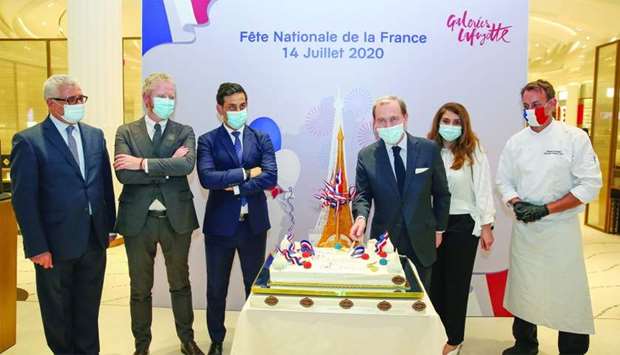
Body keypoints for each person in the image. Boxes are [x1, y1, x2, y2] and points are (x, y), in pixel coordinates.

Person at [10, 74, 116, 354]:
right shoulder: (29, 142)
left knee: (88, 310)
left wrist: (109, 227)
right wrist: (37, 246)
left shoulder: (94, 136)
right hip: (53, 248)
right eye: (70, 100)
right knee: (58, 314)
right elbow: (24, 200)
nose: (77, 104)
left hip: (93, 241)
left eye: (80, 98)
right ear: (50, 103)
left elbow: (104, 184)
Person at [496, 79, 602, 355]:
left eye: (537, 105)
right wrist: (516, 203)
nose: (531, 111)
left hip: (560, 231)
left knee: (568, 293)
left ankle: (572, 348)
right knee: (524, 290)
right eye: (526, 106)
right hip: (526, 233)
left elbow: (589, 185)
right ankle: (525, 343)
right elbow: (503, 181)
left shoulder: (574, 138)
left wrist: (546, 209)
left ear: (553, 104)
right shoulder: (516, 142)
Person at [114, 73, 203, 355]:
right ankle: (141, 346)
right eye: (162, 95)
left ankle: (187, 340)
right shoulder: (126, 132)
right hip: (137, 222)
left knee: (180, 283)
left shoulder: (184, 130)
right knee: (140, 288)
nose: (168, 101)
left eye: (171, 96)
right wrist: (166, 166)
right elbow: (123, 174)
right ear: (146, 98)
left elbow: (186, 167)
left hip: (176, 219)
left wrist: (141, 163)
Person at [197, 82, 277, 355]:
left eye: (242, 106)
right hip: (220, 227)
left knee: (253, 285)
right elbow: (208, 178)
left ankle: (252, 339)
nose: (238, 111)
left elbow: (270, 176)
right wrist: (245, 173)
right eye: (232, 107)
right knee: (216, 287)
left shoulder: (261, 138)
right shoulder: (207, 140)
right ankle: (217, 340)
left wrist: (236, 185)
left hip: (253, 226)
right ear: (220, 109)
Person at [350, 95, 451, 290]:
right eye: (382, 120)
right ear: (374, 123)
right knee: (386, 305)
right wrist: (361, 217)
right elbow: (363, 195)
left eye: (394, 119)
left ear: (405, 117)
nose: (388, 125)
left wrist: (439, 229)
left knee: (419, 304)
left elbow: (441, 194)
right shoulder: (366, 156)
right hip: (384, 243)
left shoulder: (428, 149)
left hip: (422, 241)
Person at [427, 102, 495, 355]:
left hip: (463, 224)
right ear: (438, 123)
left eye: (457, 122)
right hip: (432, 225)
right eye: (446, 121)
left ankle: (455, 338)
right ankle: (436, 334)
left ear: (464, 126)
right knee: (434, 284)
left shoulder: (473, 150)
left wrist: (487, 226)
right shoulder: (427, 149)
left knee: (456, 284)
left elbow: (484, 188)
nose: (451, 127)